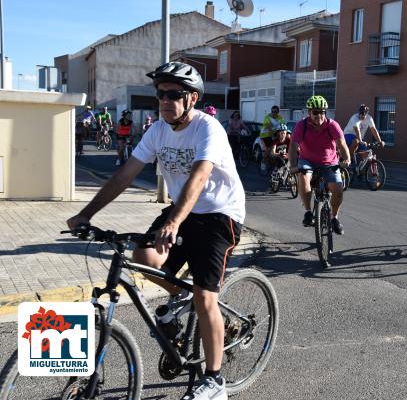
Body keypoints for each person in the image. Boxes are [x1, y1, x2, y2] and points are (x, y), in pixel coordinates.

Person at [67, 61, 245, 400]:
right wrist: (84, 215)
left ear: (192, 98)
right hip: (182, 211)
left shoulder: (208, 129)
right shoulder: (157, 131)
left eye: (173, 94)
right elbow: (124, 176)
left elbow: (199, 177)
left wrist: (173, 221)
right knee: (143, 255)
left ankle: (215, 381)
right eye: (160, 94)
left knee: (207, 297)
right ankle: (181, 294)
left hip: (219, 214)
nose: (164, 100)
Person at [289, 95, 350, 235]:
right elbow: (293, 147)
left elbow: (342, 144)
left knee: (338, 190)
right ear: (309, 112)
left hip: (329, 162)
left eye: (322, 112)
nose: (319, 115)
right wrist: (292, 165)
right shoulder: (301, 126)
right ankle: (308, 212)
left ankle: (334, 218)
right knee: (303, 176)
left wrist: (347, 159)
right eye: (315, 112)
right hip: (307, 160)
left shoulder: (332, 125)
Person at [343, 104, 385, 168]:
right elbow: (357, 129)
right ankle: (349, 159)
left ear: (366, 114)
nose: (361, 116)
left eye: (363, 115)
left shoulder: (369, 118)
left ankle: (359, 170)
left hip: (359, 138)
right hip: (347, 136)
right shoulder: (355, 117)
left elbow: (373, 130)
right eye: (360, 114)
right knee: (356, 141)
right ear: (359, 112)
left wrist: (379, 141)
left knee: (366, 154)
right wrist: (360, 140)